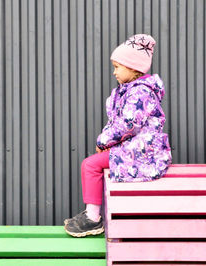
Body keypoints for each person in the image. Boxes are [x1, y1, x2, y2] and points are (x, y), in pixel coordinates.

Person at [64, 34, 172, 237]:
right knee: (95, 163)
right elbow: (117, 123)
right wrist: (107, 140)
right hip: (135, 149)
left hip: (143, 152)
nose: (114, 72)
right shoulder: (129, 91)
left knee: (90, 165)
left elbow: (129, 124)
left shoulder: (140, 92)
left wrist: (103, 140)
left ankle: (93, 218)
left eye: (117, 67)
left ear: (133, 69)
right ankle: (94, 214)